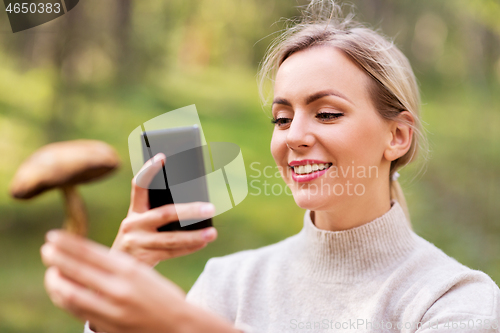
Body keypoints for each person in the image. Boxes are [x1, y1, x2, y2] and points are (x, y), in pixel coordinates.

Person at [41, 1, 500, 332]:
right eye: (282, 118)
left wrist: (183, 324)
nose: (294, 136)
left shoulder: (454, 298)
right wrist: (109, 319)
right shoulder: (229, 281)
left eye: (327, 113)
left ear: (397, 136)